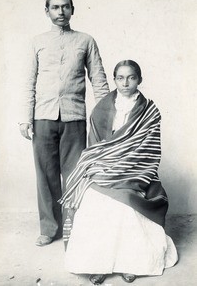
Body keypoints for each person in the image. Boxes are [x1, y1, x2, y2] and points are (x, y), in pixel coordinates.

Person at [59, 60, 178, 284]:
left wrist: (123, 167)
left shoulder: (150, 111)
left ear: (139, 80)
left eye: (131, 77)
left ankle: (131, 263)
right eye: (120, 78)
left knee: (123, 200)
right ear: (114, 80)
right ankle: (97, 264)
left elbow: (148, 150)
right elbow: (95, 147)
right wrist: (105, 167)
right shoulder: (103, 107)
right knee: (93, 196)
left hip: (135, 170)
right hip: (105, 166)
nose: (125, 83)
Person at [19, 0, 109, 247]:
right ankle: (49, 228)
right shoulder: (36, 42)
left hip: (74, 118)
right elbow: (29, 82)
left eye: (65, 7)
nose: (61, 12)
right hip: (43, 118)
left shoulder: (86, 40)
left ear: (72, 9)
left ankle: (74, 228)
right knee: (45, 175)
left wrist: (104, 117)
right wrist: (25, 118)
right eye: (55, 7)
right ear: (46, 11)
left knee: (75, 176)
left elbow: (99, 79)